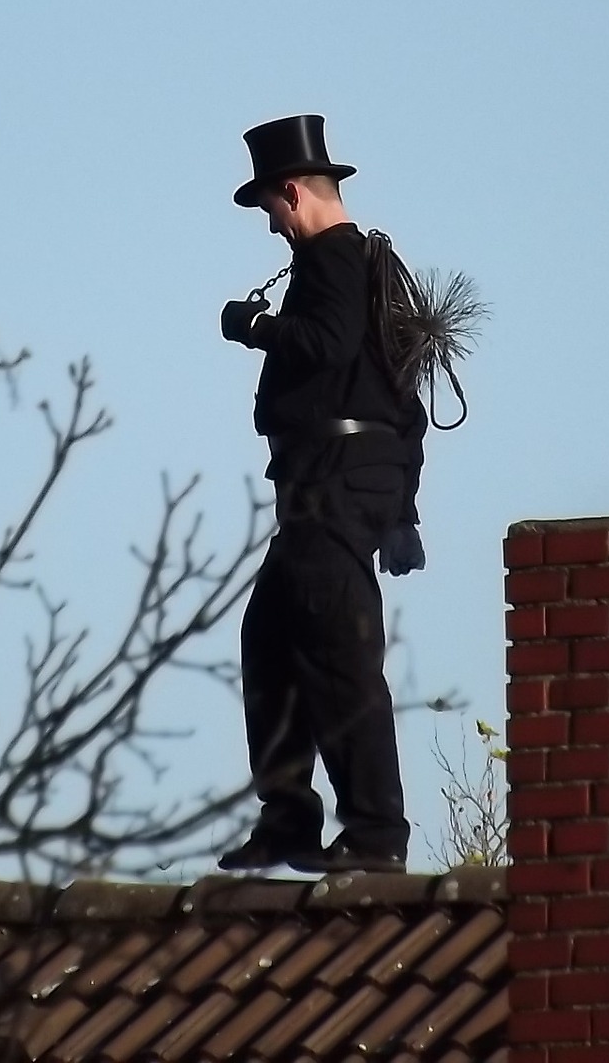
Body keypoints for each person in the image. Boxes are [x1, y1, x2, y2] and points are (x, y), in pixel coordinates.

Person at [216, 115, 428, 874]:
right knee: (270, 639)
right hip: (337, 488)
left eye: (270, 210)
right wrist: (402, 511)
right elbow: (406, 404)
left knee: (338, 652)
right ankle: (290, 820)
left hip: (331, 487)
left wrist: (256, 326)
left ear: (290, 191)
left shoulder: (333, 260)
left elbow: (326, 346)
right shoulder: (366, 267)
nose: (271, 227)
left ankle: (374, 834)